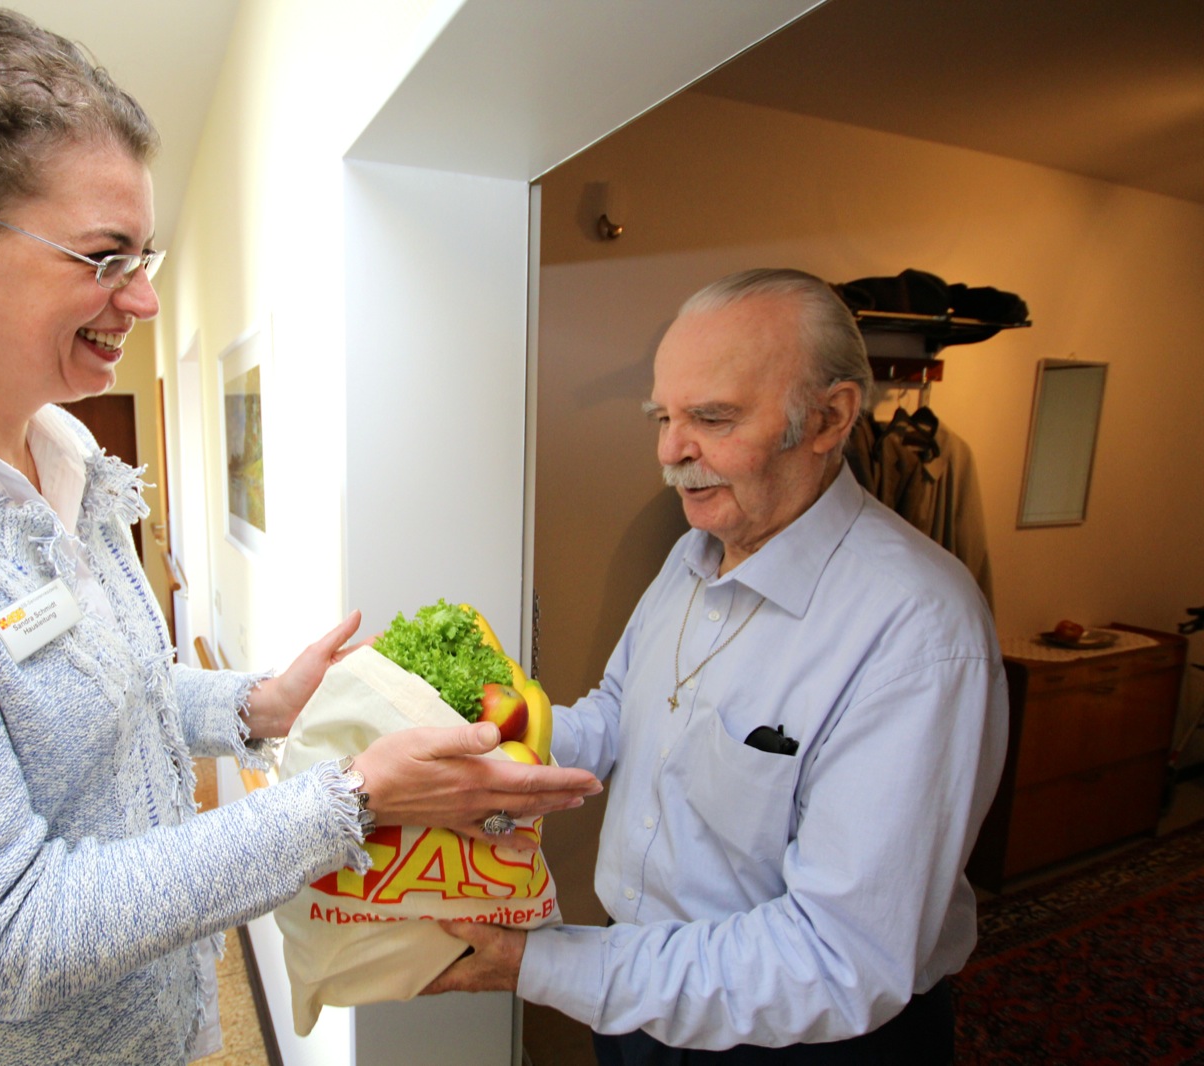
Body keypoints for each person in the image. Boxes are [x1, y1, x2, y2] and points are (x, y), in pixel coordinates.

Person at [0, 8, 599, 1064]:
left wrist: (252, 704)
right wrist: (349, 800)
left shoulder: (60, 454)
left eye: (143, 256)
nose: (144, 298)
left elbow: (109, 693)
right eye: (106, 257)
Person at [424, 268, 1008, 1063]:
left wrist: (544, 963)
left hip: (800, 1036)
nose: (671, 451)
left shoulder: (919, 632)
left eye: (712, 417)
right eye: (663, 416)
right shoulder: (690, 555)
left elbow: (838, 958)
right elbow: (621, 709)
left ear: (831, 418)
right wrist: (494, 751)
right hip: (638, 995)